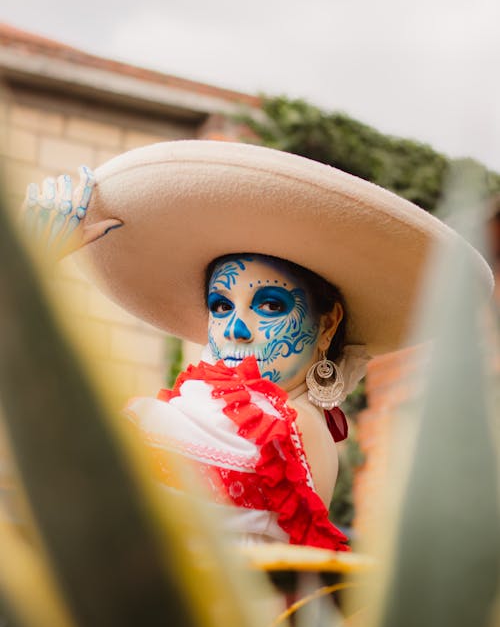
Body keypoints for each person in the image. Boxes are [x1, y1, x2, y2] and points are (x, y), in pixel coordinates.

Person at [24, 140, 493, 553]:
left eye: (268, 305)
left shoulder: (290, 429)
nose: (237, 329)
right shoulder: (208, 412)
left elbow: (90, 453)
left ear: (327, 325)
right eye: (221, 305)